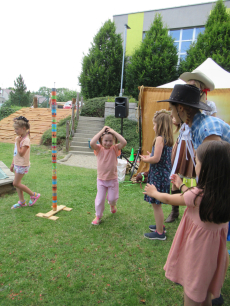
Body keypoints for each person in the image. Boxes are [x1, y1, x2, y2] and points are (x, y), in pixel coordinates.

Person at [158, 83, 230, 306]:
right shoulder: (196, 126)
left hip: (220, 201)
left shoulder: (207, 129)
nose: (171, 115)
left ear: (181, 108)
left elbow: (215, 176)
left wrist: (192, 196)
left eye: (171, 109)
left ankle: (206, 290)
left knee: (209, 246)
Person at [144, 140, 230, 306]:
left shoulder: (198, 196)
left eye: (197, 162)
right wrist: (182, 185)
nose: (195, 165)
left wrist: (154, 192)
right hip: (213, 256)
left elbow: (170, 198)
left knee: (192, 295)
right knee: (204, 293)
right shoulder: (221, 195)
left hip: (197, 253)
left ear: (206, 169)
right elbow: (193, 197)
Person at [166, 70, 216, 223]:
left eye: (192, 86)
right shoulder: (193, 124)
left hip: (196, 144)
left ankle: (201, 206)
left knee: (204, 173)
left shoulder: (206, 125)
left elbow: (214, 152)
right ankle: (175, 210)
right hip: (184, 140)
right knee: (176, 174)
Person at [140, 110, 173, 240]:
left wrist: (146, 159)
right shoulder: (168, 139)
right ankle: (160, 226)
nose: (153, 127)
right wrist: (150, 156)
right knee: (156, 203)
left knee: (156, 204)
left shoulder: (159, 138)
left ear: (159, 125)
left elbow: (156, 159)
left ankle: (160, 233)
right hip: (163, 175)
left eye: (154, 124)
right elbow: (159, 157)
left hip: (159, 176)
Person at [90, 126, 127, 225]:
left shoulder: (115, 149)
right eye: (106, 140)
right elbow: (92, 143)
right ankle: (98, 216)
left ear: (114, 141)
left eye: (110, 141)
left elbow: (124, 142)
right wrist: (102, 130)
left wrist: (114, 132)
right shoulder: (98, 149)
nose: (108, 143)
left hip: (113, 180)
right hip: (101, 180)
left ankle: (112, 205)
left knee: (112, 199)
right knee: (100, 200)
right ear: (102, 140)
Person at [10, 116, 40, 209]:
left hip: (22, 165)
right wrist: (12, 163)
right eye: (15, 129)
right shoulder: (19, 138)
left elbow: (22, 154)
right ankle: (22, 202)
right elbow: (16, 152)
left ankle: (33, 194)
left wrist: (18, 142)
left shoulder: (25, 140)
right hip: (17, 164)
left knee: (15, 183)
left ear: (23, 128)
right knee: (18, 183)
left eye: (17, 129)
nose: (15, 130)